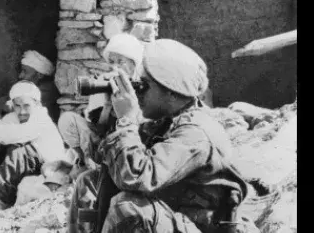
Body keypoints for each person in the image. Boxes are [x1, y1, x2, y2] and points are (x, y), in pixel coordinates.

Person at [70, 39, 257, 233]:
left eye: (143, 86)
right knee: (90, 181)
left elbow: (138, 177)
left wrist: (127, 121)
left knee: (129, 207)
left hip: (203, 226)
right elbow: (104, 160)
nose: (137, 93)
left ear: (171, 93)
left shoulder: (196, 132)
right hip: (177, 216)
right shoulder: (166, 121)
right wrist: (112, 111)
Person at [57, 33, 145, 178]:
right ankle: (84, 160)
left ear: (133, 64)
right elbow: (99, 128)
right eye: (111, 61)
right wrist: (107, 105)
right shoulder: (104, 84)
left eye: (120, 61)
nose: (115, 67)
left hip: (129, 143)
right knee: (68, 120)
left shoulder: (141, 88)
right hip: (105, 140)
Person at [0, 81, 71, 211]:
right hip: (21, 167)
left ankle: (1, 199)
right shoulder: (12, 117)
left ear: (36, 104)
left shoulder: (41, 117)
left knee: (18, 151)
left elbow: (21, 133)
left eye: (27, 105)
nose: (22, 111)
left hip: (48, 167)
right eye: (17, 106)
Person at [0, 51, 60, 122]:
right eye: (21, 71)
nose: (20, 76)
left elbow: (6, 106)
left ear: (39, 75)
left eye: (25, 71)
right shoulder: (30, 88)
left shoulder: (46, 92)